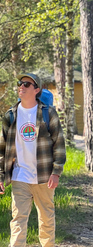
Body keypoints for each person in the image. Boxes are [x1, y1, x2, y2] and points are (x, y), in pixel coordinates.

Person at [0, 73, 66, 247]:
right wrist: (1, 175)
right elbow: (2, 149)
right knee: (18, 219)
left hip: (43, 176)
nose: (21, 86)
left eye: (27, 84)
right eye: (20, 83)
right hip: (19, 175)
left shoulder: (48, 113)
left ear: (37, 89)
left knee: (46, 219)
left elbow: (59, 144)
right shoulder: (11, 116)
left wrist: (56, 172)